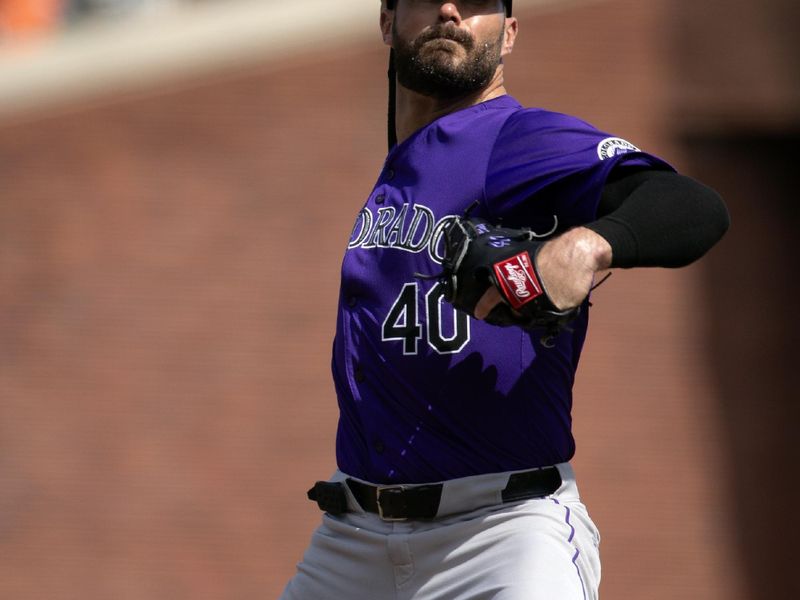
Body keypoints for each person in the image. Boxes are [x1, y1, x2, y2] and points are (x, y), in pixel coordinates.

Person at [280, 1, 729, 598]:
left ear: (509, 34)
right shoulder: (404, 161)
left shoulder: (514, 137)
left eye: (475, 2)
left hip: (498, 534)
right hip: (353, 537)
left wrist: (588, 246)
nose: (449, 9)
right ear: (388, 22)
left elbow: (693, 206)